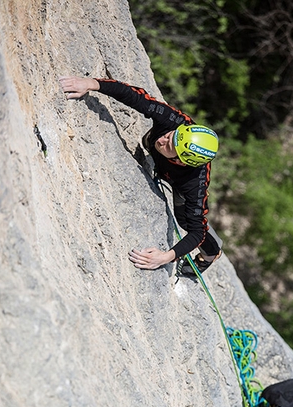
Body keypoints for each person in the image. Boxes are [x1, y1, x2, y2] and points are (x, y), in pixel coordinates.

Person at [58, 75, 223, 275]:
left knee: (186, 220)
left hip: (176, 179)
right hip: (161, 158)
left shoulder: (194, 182)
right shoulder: (175, 122)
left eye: (170, 145)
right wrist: (93, 84)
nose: (164, 139)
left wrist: (166, 256)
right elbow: (137, 97)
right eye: (171, 136)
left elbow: (197, 232)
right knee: (151, 141)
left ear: (181, 160)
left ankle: (211, 253)